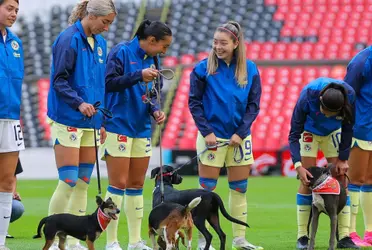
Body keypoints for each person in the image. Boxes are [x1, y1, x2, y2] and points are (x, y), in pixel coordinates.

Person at [46, 1, 116, 249]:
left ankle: (75, 244)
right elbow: (59, 80)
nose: (107, 28)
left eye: (110, 23)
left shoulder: (101, 43)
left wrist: (102, 120)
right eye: (105, 22)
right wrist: (78, 103)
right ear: (91, 15)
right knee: (68, 180)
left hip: (92, 121)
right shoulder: (68, 39)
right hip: (68, 118)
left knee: (85, 181)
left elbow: (101, 85)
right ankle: (53, 242)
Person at [189, 21, 263, 250]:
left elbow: (253, 105)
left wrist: (241, 133)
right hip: (212, 138)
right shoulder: (202, 68)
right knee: (206, 190)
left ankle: (240, 240)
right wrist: (207, 132)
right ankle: (203, 241)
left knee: (240, 188)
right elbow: (194, 103)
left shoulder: (250, 69)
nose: (218, 47)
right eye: (215, 42)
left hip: (240, 140)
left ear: (235, 43)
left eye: (223, 43)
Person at [102, 19, 172, 250]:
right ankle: (111, 242)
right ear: (151, 41)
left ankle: (135, 241)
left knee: (136, 184)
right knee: (117, 183)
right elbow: (108, 83)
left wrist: (155, 110)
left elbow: (151, 92)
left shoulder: (152, 58)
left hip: (141, 127)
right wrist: (137, 76)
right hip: (118, 125)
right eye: (163, 46)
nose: (164, 51)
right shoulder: (120, 52)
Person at [288, 77, 359, 249]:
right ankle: (302, 237)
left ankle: (344, 237)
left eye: (331, 114)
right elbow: (293, 134)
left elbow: (348, 128)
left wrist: (343, 158)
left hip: (333, 133)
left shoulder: (349, 95)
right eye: (324, 111)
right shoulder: (307, 96)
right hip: (309, 132)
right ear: (320, 99)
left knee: (341, 180)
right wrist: (298, 166)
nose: (327, 115)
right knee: (307, 180)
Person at [0, 1, 24, 249]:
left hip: (10, 118)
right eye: (9, 7)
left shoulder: (16, 42)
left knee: (7, 182)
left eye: (16, 9)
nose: (13, 13)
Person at [344, 46, 372, 247]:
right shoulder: (361, 62)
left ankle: (369, 232)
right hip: (361, 128)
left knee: (370, 181)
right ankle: (349, 232)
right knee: (355, 179)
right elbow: (346, 95)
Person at [7, 158, 25, 239]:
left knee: (17, 207)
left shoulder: (11, 150)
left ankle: (1, 230)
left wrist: (12, 193)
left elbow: (13, 175)